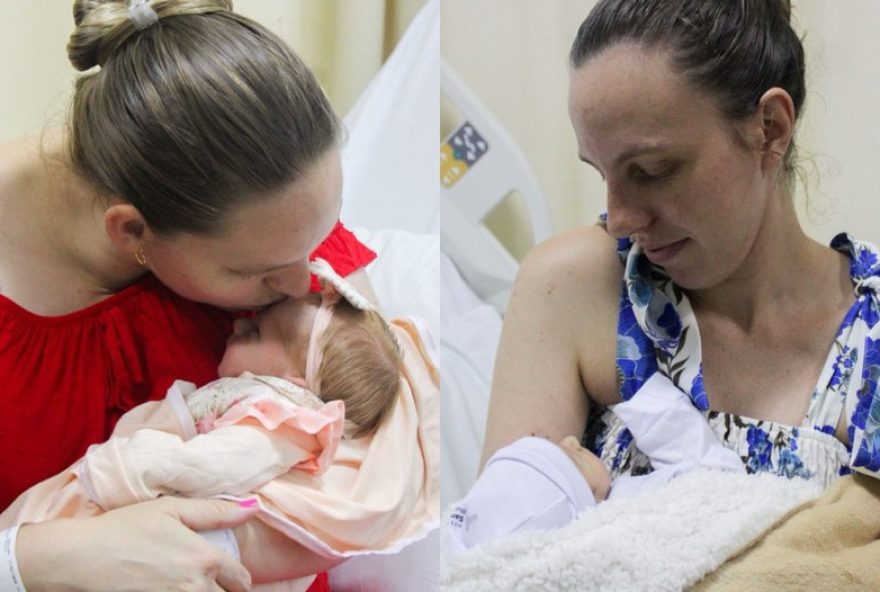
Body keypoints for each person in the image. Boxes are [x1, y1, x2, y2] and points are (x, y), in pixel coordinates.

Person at [0, 1, 392, 590]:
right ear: (132, 231)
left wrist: (225, 542)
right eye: (256, 274)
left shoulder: (272, 210)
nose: (302, 284)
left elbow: (388, 462)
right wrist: (31, 562)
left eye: (319, 236)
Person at [481, 0, 880, 530]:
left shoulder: (867, 341)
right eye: (601, 170)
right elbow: (498, 553)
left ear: (770, 128)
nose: (619, 219)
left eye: (652, 170)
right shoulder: (576, 289)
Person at [0, 260, 437, 592]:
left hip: (139, 510)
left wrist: (130, 471)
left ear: (294, 383)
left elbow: (212, 466)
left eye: (256, 334)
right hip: (104, 541)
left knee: (42, 519)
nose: (242, 320)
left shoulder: (281, 419)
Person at [448, 372, 743, 549]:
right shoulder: (629, 510)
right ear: (588, 492)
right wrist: (651, 403)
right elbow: (714, 481)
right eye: (572, 457)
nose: (572, 440)